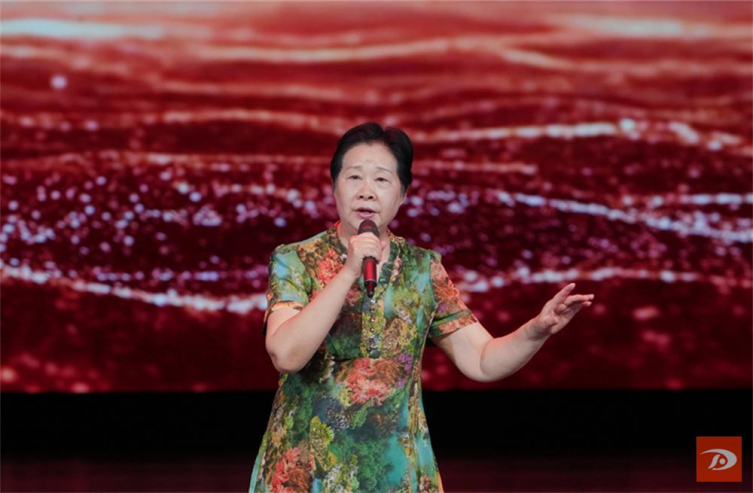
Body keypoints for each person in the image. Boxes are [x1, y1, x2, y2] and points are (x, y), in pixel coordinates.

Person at [249, 122, 594, 493]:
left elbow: (481, 361)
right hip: (306, 473)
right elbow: (285, 355)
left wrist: (535, 331)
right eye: (354, 177)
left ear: (402, 195)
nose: (366, 191)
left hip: (397, 473)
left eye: (382, 180)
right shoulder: (296, 260)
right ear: (334, 186)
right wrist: (349, 272)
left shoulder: (421, 270)